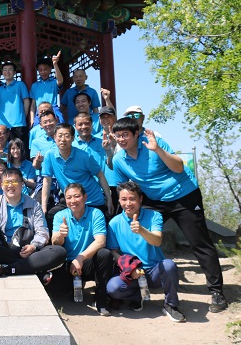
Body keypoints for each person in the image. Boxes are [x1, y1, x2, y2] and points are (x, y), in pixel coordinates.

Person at [110, 117, 227, 312]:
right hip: (155, 201)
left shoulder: (153, 143)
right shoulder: (119, 159)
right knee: (139, 234)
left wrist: (157, 150)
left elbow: (178, 167)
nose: (121, 139)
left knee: (199, 242)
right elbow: (123, 189)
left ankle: (217, 292)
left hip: (184, 195)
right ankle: (136, 280)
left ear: (136, 134)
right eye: (118, 135)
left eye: (125, 135)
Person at [106, 181, 186, 322]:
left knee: (169, 265)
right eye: (124, 199)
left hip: (154, 271)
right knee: (113, 288)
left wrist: (142, 230)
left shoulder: (154, 216)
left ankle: (171, 305)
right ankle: (136, 296)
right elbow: (113, 251)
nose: (128, 203)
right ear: (118, 200)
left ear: (140, 199)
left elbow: (157, 241)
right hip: (132, 272)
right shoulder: (114, 223)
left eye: (132, 199)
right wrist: (130, 268)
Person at [0, 168, 67, 279]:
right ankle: (31, 268)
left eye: (14, 181)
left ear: (22, 184)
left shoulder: (34, 205)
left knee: (58, 252)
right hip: (5, 250)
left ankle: (8, 269)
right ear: (1, 185)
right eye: (6, 182)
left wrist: (33, 246)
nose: (10, 185)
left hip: (29, 250)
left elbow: (42, 231)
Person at [51, 183, 112, 316]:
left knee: (104, 254)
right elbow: (55, 242)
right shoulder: (60, 215)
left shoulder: (96, 213)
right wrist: (61, 235)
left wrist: (81, 258)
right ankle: (74, 285)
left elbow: (101, 241)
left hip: (87, 263)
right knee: (56, 291)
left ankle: (101, 299)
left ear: (85, 197)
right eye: (69, 197)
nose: (73, 201)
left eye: (77, 196)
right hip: (68, 264)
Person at [41, 123, 113, 229]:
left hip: (91, 200)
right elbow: (47, 181)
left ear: (72, 138)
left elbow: (100, 175)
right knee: (50, 216)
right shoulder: (50, 155)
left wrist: (109, 200)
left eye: (66, 135)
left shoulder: (84, 156)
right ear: (54, 137)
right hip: (71, 200)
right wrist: (43, 207)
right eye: (60, 135)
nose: (63, 139)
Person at [73, 112, 119, 213]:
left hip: (105, 190)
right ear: (75, 126)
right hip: (81, 193)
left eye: (86, 123)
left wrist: (110, 149)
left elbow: (113, 164)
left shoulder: (103, 141)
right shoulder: (71, 146)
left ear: (92, 124)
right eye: (80, 124)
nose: (84, 127)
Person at [0, 62, 31, 155]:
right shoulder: (0, 88)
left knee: (21, 150)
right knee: (7, 150)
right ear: (2, 73)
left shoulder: (20, 84)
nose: (7, 72)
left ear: (14, 72)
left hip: (18, 124)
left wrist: (23, 117)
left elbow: (26, 102)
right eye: (5, 70)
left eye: (10, 70)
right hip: (4, 126)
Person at [29, 52, 64, 127]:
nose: (43, 72)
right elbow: (33, 105)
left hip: (53, 110)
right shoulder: (35, 86)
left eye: (45, 69)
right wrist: (32, 119)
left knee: (60, 126)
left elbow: (60, 81)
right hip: (40, 112)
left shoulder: (54, 82)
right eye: (40, 70)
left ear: (50, 69)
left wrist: (55, 64)